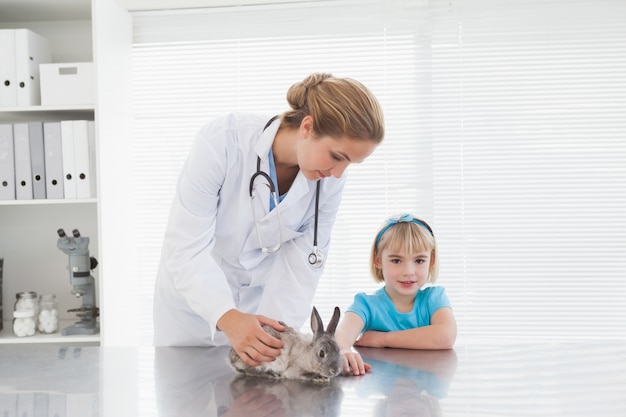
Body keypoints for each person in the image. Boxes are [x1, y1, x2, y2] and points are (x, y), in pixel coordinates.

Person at [153, 73, 385, 367]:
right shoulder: (223, 141)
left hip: (260, 318)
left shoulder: (329, 180)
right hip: (190, 322)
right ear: (308, 126)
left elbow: (301, 269)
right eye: (337, 156)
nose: (338, 172)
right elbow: (186, 248)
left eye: (350, 163)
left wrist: (275, 345)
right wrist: (228, 316)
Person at [335, 214, 457, 376]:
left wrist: (381, 339)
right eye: (396, 261)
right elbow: (343, 333)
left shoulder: (434, 299)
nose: (408, 272)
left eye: (419, 261)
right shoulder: (366, 304)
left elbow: (446, 336)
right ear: (378, 260)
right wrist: (342, 349)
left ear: (431, 261)